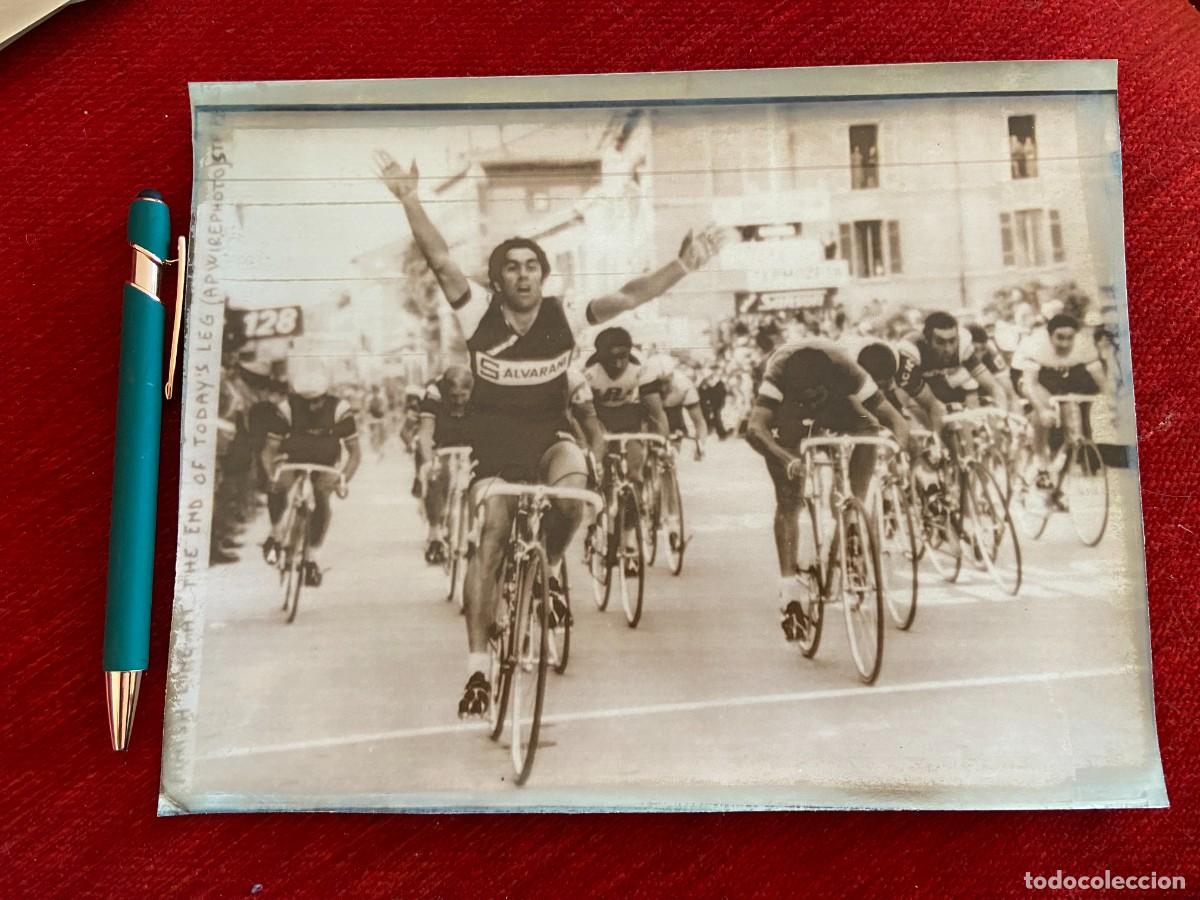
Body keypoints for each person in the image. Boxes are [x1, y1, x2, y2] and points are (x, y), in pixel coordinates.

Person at [375, 150, 727, 718]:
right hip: (495, 445)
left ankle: (552, 567)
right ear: (498, 278)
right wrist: (409, 198)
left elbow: (632, 294)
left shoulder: (568, 316)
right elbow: (441, 261)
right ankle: (477, 670)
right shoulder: (476, 314)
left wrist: (682, 266)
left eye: (531, 266)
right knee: (490, 537)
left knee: (575, 491)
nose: (523, 274)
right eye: (512, 266)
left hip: (549, 435)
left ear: (543, 276)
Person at [744, 340, 909, 643]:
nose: (813, 402)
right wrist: (787, 459)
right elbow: (755, 429)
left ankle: (851, 516)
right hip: (788, 414)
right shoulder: (777, 377)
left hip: (839, 403)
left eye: (816, 395)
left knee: (867, 431)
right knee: (788, 499)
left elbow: (895, 419)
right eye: (807, 396)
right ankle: (790, 594)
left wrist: (895, 451)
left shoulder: (847, 371)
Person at [260, 366, 361, 587]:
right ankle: (276, 532)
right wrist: (271, 475)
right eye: (306, 401)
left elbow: (354, 452)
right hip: (293, 458)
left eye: (317, 400)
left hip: (325, 462)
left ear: (326, 395)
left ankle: (311, 557)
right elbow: (269, 449)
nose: (312, 405)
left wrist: (344, 478)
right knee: (278, 485)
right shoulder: (286, 408)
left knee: (322, 499)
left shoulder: (340, 409)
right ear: (297, 396)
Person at [585, 329, 670, 572]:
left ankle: (630, 541)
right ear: (600, 356)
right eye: (612, 358)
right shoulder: (589, 374)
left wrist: (663, 443)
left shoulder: (641, 370)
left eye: (623, 356)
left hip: (629, 419)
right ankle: (595, 525)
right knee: (598, 473)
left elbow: (656, 413)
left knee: (634, 477)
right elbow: (583, 417)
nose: (619, 363)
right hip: (599, 419)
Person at [1012, 313, 1106, 485]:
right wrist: (1041, 410)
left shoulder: (1084, 345)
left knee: (1072, 404)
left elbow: (1101, 381)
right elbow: (1030, 385)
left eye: (1070, 338)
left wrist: (1112, 403)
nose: (1065, 343)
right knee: (1046, 408)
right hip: (1029, 376)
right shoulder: (1036, 345)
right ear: (1049, 335)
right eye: (1060, 338)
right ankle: (1041, 464)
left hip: (1059, 372)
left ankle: (1068, 454)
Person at [416, 365, 475, 565]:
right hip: (443, 441)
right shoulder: (433, 393)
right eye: (454, 396)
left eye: (463, 396)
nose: (458, 401)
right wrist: (428, 463)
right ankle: (434, 534)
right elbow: (425, 434)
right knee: (435, 476)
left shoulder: (482, 390)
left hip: (471, 440)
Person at [658, 357, 708, 458]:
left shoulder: (684, 384)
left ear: (672, 376)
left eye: (667, 382)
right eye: (659, 383)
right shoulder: (644, 380)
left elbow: (699, 421)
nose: (663, 388)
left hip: (674, 422)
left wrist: (700, 445)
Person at [698, 367, 730, 439]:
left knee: (716, 415)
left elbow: (722, 394)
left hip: (718, 402)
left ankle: (721, 433)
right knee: (708, 415)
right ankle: (709, 430)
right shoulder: (704, 384)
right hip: (709, 403)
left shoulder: (718, 383)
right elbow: (702, 394)